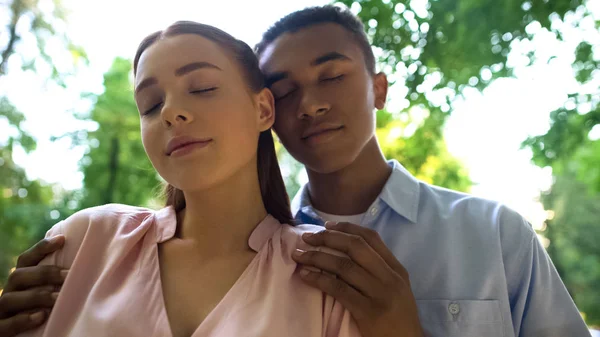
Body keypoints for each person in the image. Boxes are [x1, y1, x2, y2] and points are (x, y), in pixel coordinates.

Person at [0, 5, 592, 337]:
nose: (308, 104)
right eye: (284, 89)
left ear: (378, 88)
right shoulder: (94, 244)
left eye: (332, 76)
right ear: (266, 109)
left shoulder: (493, 233)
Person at [0, 21, 362, 337]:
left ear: (263, 109)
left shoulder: (325, 273)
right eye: (152, 105)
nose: (171, 112)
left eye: (202, 87)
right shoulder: (80, 243)